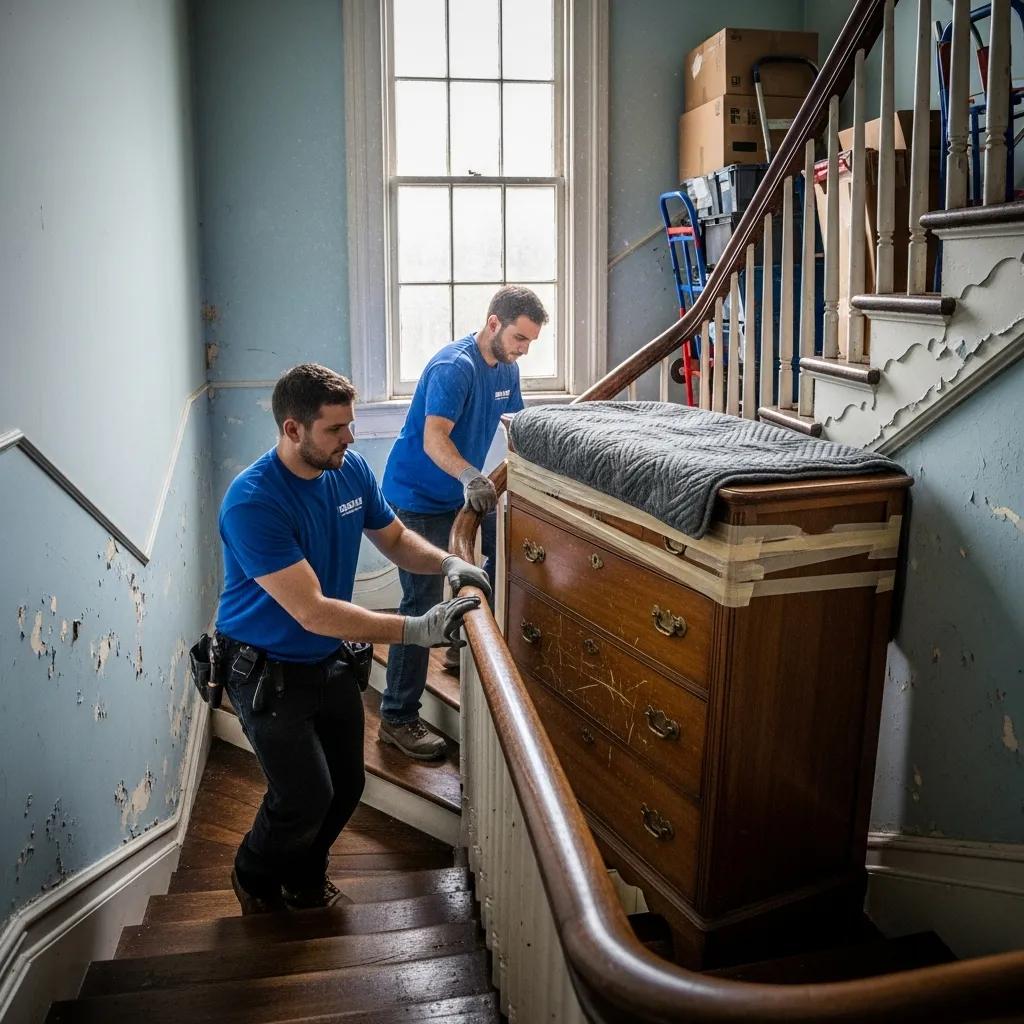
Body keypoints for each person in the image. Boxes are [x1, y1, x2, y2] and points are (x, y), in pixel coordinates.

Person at [215, 363, 486, 915]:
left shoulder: (350, 469)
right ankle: (254, 875)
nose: (351, 438)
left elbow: (396, 539)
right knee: (303, 795)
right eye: (335, 429)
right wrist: (416, 629)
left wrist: (449, 562)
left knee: (346, 786)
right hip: (267, 669)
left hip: (328, 661)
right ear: (293, 430)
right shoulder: (254, 502)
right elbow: (313, 611)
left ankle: (306, 877)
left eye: (351, 424)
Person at [379, 285, 548, 760]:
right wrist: (472, 475)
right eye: (519, 338)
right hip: (415, 499)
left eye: (530, 342)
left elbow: (515, 423)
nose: (523, 350)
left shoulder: (506, 368)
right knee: (421, 599)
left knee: (507, 550)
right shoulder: (455, 367)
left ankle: (458, 645)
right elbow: (435, 440)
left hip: (458, 495)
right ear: (493, 322)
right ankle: (396, 717)